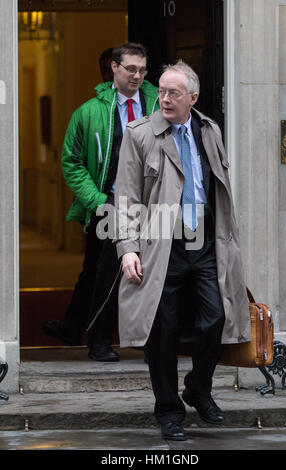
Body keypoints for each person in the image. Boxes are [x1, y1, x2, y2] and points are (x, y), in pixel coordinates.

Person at [114, 60, 251, 439]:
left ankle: (198, 387)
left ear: (193, 97)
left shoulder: (209, 130)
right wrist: (128, 248)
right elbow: (125, 197)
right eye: (160, 91)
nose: (164, 98)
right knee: (163, 332)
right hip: (161, 243)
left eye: (174, 92)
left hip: (205, 241)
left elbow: (218, 188)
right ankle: (169, 412)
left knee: (217, 317)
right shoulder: (139, 134)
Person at [43, 42, 159, 362]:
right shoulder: (89, 112)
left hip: (153, 204)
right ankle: (100, 341)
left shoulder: (159, 105)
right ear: (114, 68)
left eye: (142, 70)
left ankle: (155, 342)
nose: (137, 76)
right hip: (109, 204)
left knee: (157, 272)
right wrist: (97, 201)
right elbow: (71, 162)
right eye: (131, 69)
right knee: (105, 274)